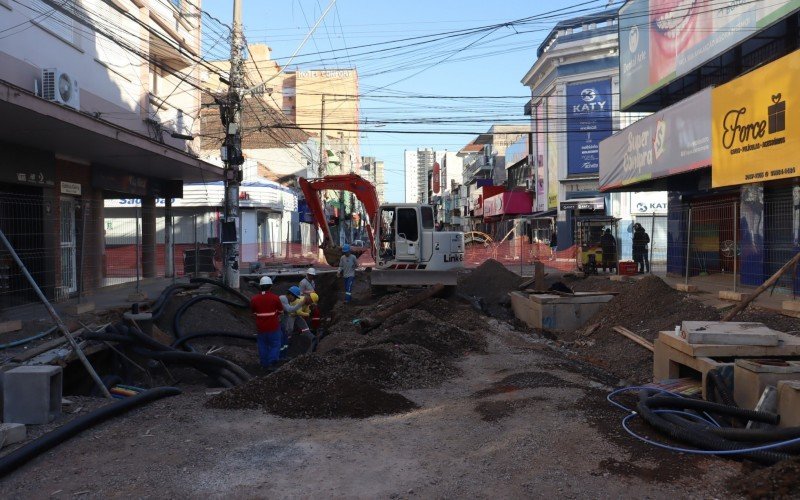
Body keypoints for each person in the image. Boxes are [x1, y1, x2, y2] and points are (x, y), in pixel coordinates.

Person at [249, 276, 283, 368]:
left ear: (260, 286)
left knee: (262, 345)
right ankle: (272, 361)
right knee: (275, 344)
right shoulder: (275, 298)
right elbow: (280, 311)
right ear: (270, 286)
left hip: (261, 328)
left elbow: (253, 312)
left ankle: (264, 364)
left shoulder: (254, 299)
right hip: (273, 327)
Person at [279, 286, 310, 358]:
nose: (295, 299)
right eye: (295, 297)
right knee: (280, 341)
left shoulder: (287, 301)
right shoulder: (283, 298)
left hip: (282, 324)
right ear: (290, 294)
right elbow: (290, 310)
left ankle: (283, 356)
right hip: (277, 324)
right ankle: (279, 357)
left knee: (284, 341)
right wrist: (301, 303)